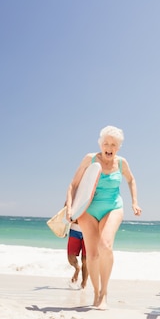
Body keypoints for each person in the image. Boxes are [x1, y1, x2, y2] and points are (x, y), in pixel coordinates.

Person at [65, 125, 142, 309]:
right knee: (91, 254)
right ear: (101, 144)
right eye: (106, 143)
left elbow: (131, 180)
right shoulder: (89, 159)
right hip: (88, 210)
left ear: (118, 147)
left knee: (105, 246)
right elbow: (73, 185)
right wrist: (69, 207)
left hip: (112, 207)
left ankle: (105, 294)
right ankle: (96, 292)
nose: (109, 147)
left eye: (113, 144)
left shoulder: (122, 163)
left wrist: (134, 201)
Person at [67, 222, 88, 289]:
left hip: (89, 231)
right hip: (74, 230)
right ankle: (77, 268)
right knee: (70, 257)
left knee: (85, 260)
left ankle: (84, 283)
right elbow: (66, 216)